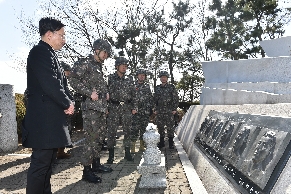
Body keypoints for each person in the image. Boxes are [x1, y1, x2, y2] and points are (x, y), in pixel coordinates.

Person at [22, 17, 74, 194]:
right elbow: (50, 83)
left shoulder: (49, 53)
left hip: (49, 121)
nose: (64, 39)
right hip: (43, 122)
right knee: (40, 165)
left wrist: (70, 99)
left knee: (48, 164)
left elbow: (62, 84)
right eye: (62, 35)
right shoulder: (40, 52)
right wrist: (66, 102)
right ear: (49, 34)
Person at [69, 39, 113, 183]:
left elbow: (101, 86)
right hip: (90, 108)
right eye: (105, 52)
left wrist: (106, 95)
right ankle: (86, 172)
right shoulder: (84, 62)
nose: (106, 55)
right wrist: (89, 92)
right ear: (97, 50)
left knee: (99, 138)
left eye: (107, 53)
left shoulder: (100, 67)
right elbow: (73, 80)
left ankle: (96, 165)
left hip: (100, 108)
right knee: (91, 140)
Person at [106, 57, 137, 163]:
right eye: (123, 65)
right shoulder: (110, 78)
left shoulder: (130, 79)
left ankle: (127, 153)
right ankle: (111, 156)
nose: (125, 67)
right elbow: (106, 94)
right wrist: (106, 107)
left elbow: (134, 95)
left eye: (126, 66)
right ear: (117, 66)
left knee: (127, 131)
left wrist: (134, 107)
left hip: (126, 108)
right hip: (113, 108)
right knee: (111, 132)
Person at [153, 71, 179, 149]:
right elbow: (154, 99)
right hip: (160, 110)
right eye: (162, 77)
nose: (163, 78)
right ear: (160, 78)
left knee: (170, 127)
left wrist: (174, 109)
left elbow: (175, 98)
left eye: (165, 77)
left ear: (167, 78)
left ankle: (171, 143)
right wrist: (155, 109)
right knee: (160, 127)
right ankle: (161, 142)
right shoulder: (157, 88)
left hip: (169, 110)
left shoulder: (171, 87)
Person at [131, 69, 153, 153]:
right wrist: (131, 108)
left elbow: (150, 98)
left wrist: (151, 108)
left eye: (143, 75)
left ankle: (141, 146)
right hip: (135, 112)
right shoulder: (133, 85)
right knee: (134, 129)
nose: (142, 76)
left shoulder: (147, 86)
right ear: (137, 76)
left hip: (145, 112)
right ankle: (132, 147)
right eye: (140, 75)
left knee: (143, 130)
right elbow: (129, 98)